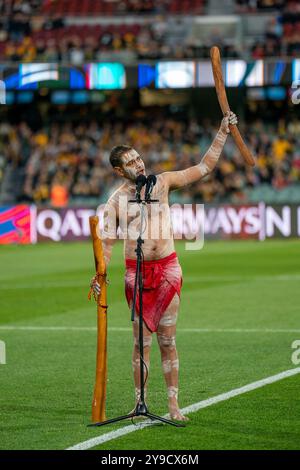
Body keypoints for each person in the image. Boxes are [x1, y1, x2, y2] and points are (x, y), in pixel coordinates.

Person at [90, 111, 238, 421]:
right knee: (140, 344)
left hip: (168, 270)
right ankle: (139, 404)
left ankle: (173, 405)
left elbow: (204, 167)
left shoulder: (163, 182)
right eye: (130, 162)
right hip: (137, 275)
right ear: (119, 171)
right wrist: (100, 273)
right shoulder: (115, 202)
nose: (139, 164)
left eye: (139, 158)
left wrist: (223, 130)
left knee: (168, 341)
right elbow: (106, 242)